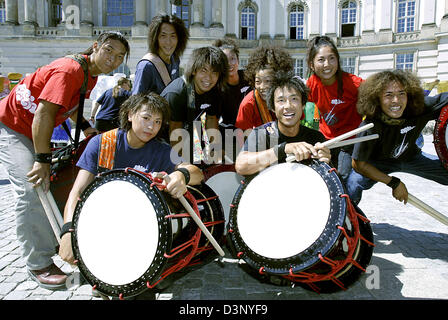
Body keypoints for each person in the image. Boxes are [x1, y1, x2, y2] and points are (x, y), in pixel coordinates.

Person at [0, 31, 130, 290]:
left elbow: (68, 107)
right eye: (108, 51)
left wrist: (86, 127)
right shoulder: (70, 70)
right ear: (95, 47)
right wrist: (41, 159)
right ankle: (37, 263)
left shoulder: (89, 75)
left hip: (33, 128)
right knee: (32, 188)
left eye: (119, 57)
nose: (113, 60)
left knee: (54, 183)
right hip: (15, 126)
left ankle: (57, 240)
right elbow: (44, 113)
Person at [59, 92, 203, 265]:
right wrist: (68, 232)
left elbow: (197, 174)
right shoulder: (102, 143)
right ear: (130, 114)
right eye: (146, 118)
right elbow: (78, 191)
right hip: (101, 223)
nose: (151, 126)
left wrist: (182, 175)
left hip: (141, 233)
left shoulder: (161, 151)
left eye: (157, 122)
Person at [346, 70, 448, 205]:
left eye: (401, 94)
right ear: (377, 98)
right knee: (353, 184)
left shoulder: (420, 108)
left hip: (411, 157)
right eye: (389, 95)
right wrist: (393, 183)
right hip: (377, 163)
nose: (396, 101)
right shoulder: (370, 126)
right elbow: (358, 164)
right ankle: (349, 220)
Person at [235, 71, 330, 176]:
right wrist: (282, 149)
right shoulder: (262, 134)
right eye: (281, 100)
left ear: (303, 105)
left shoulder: (315, 138)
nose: (288, 106)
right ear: (273, 108)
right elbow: (241, 166)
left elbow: (330, 178)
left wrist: (325, 162)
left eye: (294, 99)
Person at [306, 36, 363, 181]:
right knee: (325, 176)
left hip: (349, 141)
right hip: (326, 140)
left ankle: (348, 203)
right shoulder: (312, 83)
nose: (327, 64)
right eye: (321, 60)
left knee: (342, 178)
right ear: (312, 65)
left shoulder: (352, 83)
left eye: (332, 58)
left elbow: (378, 92)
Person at [161, 46, 229, 164]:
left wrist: (214, 148)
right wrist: (185, 166)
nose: (208, 78)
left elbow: (212, 119)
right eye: (204, 70)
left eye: (214, 72)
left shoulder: (215, 90)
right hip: (164, 142)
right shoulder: (177, 93)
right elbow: (175, 134)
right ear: (193, 70)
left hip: (188, 136)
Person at [235, 45, 294, 132]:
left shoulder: (289, 98)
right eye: (258, 81)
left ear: (278, 79)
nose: (262, 87)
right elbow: (242, 137)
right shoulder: (248, 104)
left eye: (268, 81)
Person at [132, 13, 189, 95]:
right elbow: (135, 102)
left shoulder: (175, 60)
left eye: (173, 36)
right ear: (155, 38)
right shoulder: (146, 66)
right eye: (163, 36)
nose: (168, 42)